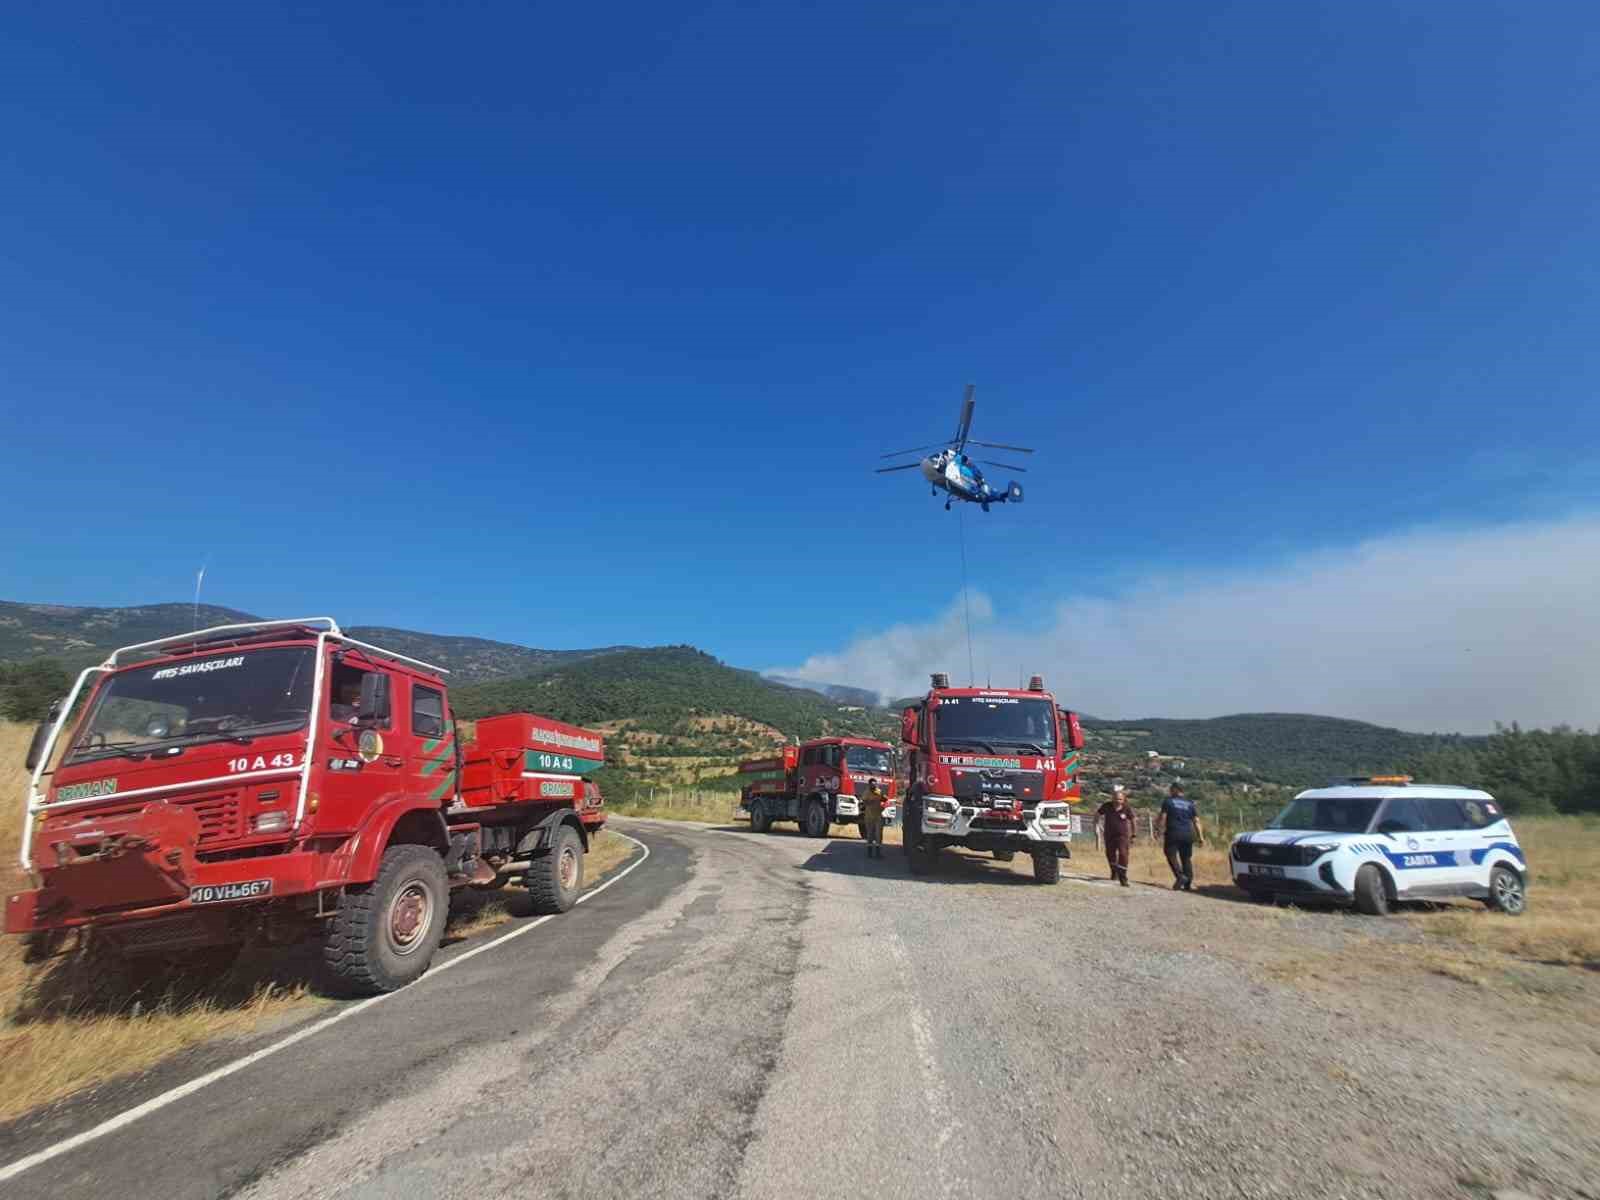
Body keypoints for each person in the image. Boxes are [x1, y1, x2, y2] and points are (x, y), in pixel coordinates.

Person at [1155, 782, 1205, 891]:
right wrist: (1201, 837)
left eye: (1171, 789)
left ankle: (1180, 876)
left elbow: (1163, 817)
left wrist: (1158, 830)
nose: (1169, 791)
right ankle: (1188, 883)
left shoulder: (1168, 801)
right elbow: (1196, 821)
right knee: (1186, 858)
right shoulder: (1190, 804)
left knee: (1170, 854)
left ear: (1176, 790)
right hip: (1188, 834)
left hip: (1173, 832)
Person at [1095, 784, 1137, 887]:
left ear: (1123, 800)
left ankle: (1123, 877)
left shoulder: (1127, 808)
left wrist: (1134, 834)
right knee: (1110, 854)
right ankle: (1114, 871)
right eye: (1116, 798)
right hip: (1109, 834)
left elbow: (1133, 820)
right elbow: (1097, 815)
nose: (1118, 801)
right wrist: (1097, 825)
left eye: (1120, 799)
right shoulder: (1107, 806)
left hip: (1122, 836)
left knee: (1123, 854)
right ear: (1112, 798)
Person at [860, 779, 887, 859]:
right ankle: (869, 853)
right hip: (869, 817)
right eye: (872, 784)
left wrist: (883, 805)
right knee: (870, 835)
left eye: (875, 784)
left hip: (878, 816)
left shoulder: (879, 792)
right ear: (869, 785)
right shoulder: (866, 793)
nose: (874, 786)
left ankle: (878, 853)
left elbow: (885, 800)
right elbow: (862, 804)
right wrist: (869, 802)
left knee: (879, 834)